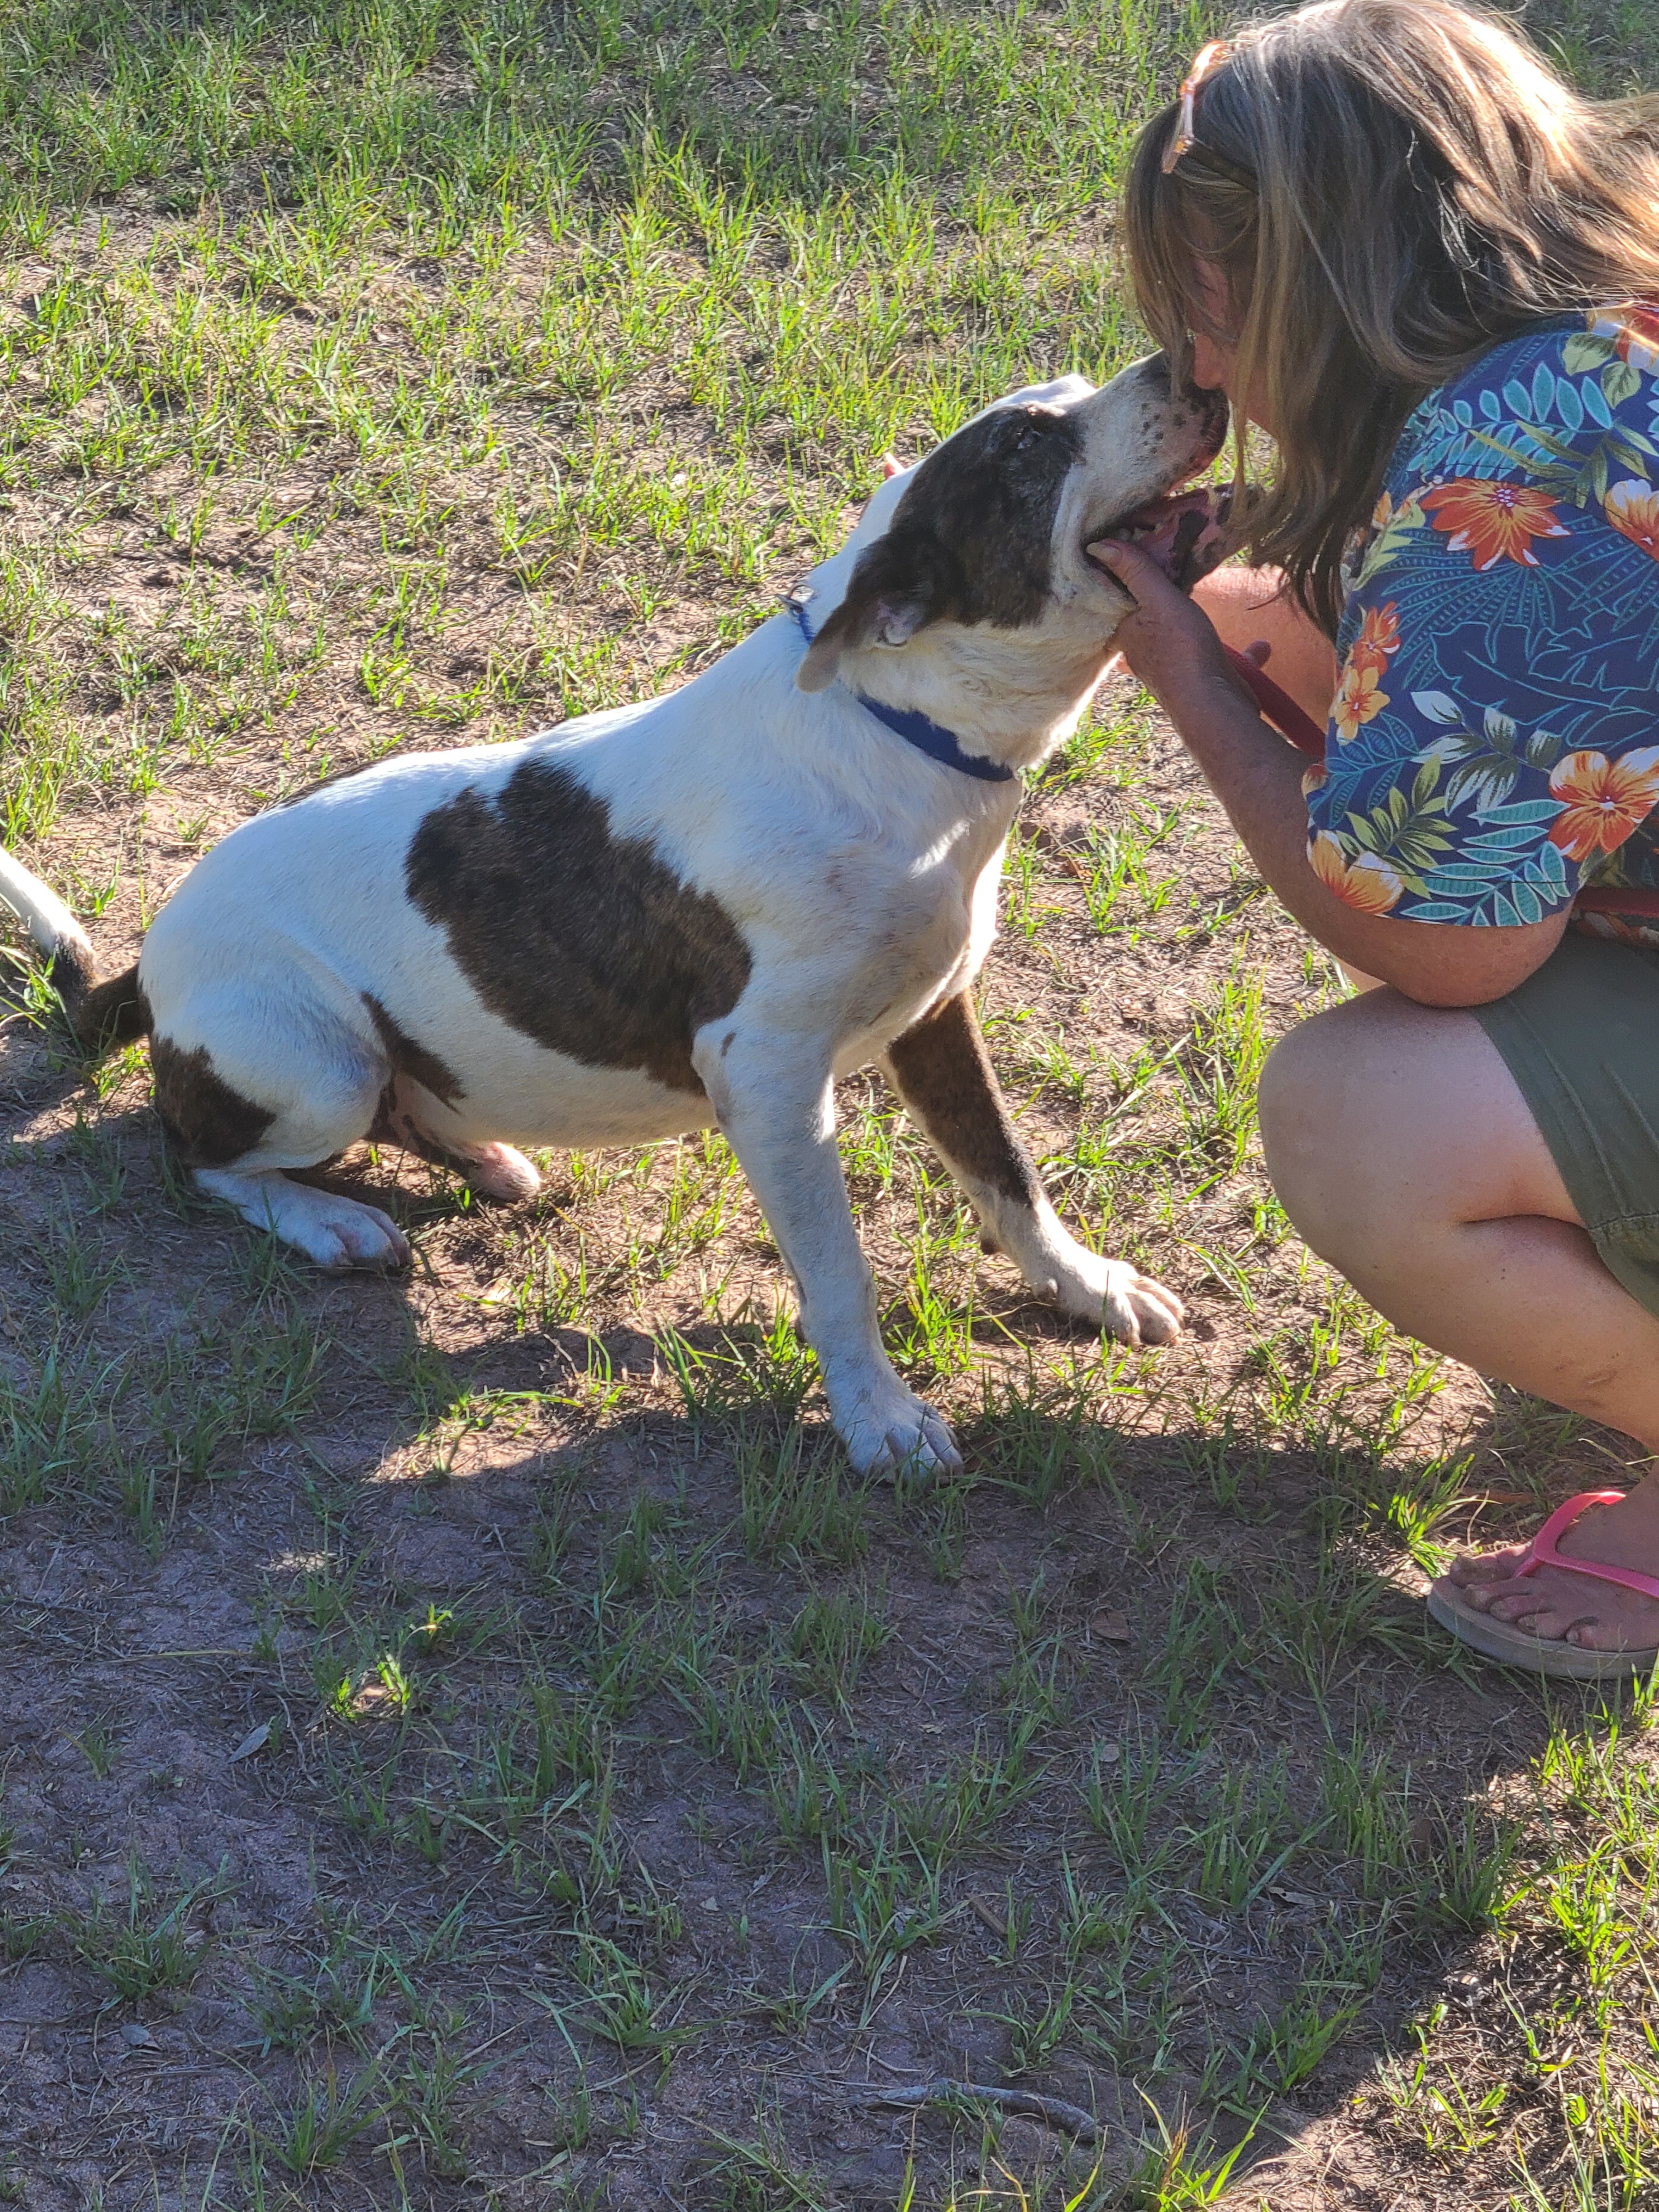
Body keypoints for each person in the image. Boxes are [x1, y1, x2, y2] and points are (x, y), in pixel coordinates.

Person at [1092, 0, 1659, 1678]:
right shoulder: (1601, 341)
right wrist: (1263, 617)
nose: (1198, 372)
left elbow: (1446, 942)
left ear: (1309, 275)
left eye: (1201, 312)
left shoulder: (1524, 464)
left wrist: (1190, 678)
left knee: (1364, 1122)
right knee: (1283, 622)